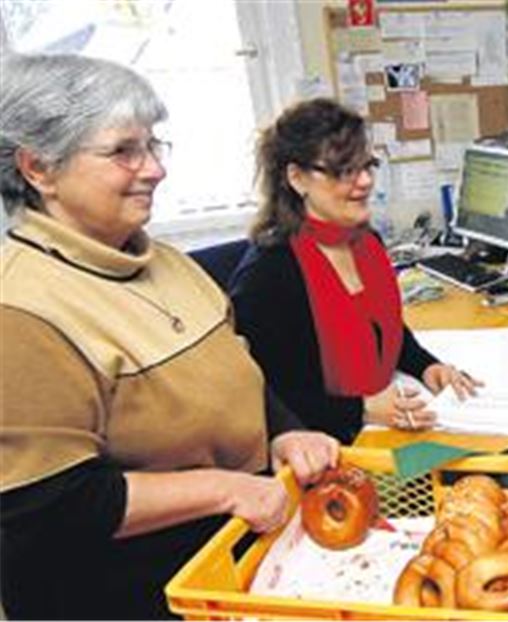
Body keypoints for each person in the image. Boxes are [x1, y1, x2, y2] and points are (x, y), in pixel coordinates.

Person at [0, 54, 338, 620]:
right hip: (132, 594)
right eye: (123, 151)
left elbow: (234, 368)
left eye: (154, 145)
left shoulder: (163, 259)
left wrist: (285, 433)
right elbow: (48, 509)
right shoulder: (21, 309)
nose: (154, 168)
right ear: (39, 169)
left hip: (232, 559)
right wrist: (228, 489)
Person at [230, 98, 480, 445]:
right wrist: (361, 408)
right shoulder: (269, 275)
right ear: (297, 177)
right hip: (330, 448)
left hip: (389, 421)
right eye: (343, 170)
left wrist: (428, 366)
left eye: (367, 165)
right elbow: (274, 398)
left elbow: (386, 332)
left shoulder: (367, 242)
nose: (364, 181)